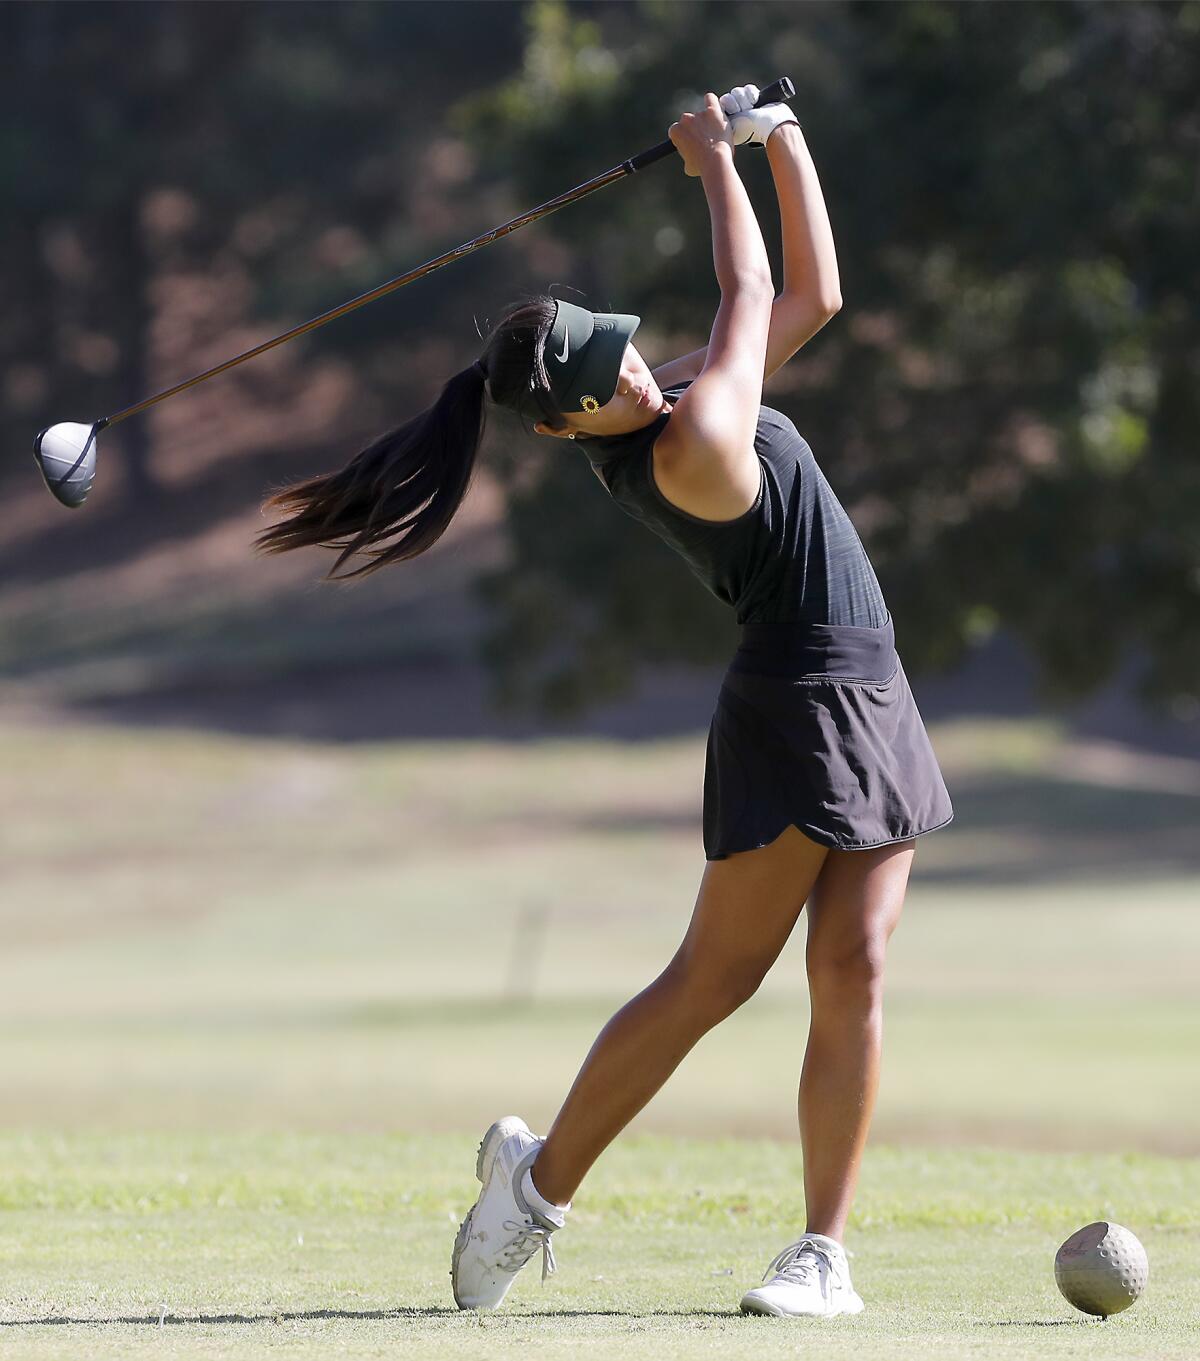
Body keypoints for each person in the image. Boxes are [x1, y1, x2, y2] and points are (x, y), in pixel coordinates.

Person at [256, 84, 954, 1320]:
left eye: (623, 345)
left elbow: (812, 301)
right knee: (713, 980)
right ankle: (534, 1190)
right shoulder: (683, 448)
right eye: (608, 371)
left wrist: (781, 137)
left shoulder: (662, 402)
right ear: (569, 420)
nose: (635, 364)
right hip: (798, 701)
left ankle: (821, 1254)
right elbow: (746, 298)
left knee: (855, 966)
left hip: (873, 687)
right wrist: (707, 164)